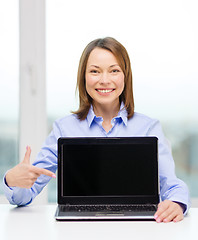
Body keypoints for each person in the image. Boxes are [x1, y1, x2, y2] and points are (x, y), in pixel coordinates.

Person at [3, 37, 190, 223]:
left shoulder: (149, 128)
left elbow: (172, 185)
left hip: (136, 227)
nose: (104, 80)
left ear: (125, 75)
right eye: (95, 71)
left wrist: (177, 203)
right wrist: (12, 180)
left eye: (114, 71)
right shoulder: (64, 128)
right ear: (83, 77)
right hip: (78, 229)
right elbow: (25, 195)